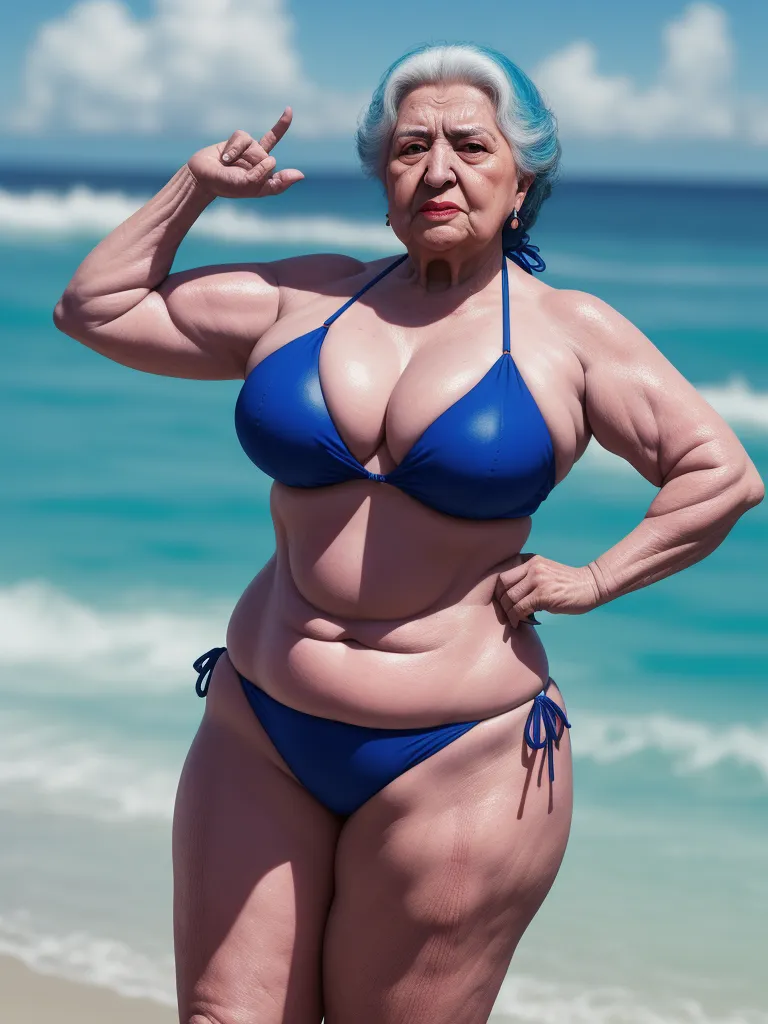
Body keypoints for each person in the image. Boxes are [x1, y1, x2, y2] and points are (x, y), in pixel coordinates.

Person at [53, 41, 763, 1024]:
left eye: (470, 146)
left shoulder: (570, 332)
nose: (437, 169)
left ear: (521, 184)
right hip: (260, 725)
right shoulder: (308, 299)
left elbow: (721, 473)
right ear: (382, 178)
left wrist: (592, 578)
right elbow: (96, 306)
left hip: (457, 760)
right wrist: (194, 187)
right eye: (410, 146)